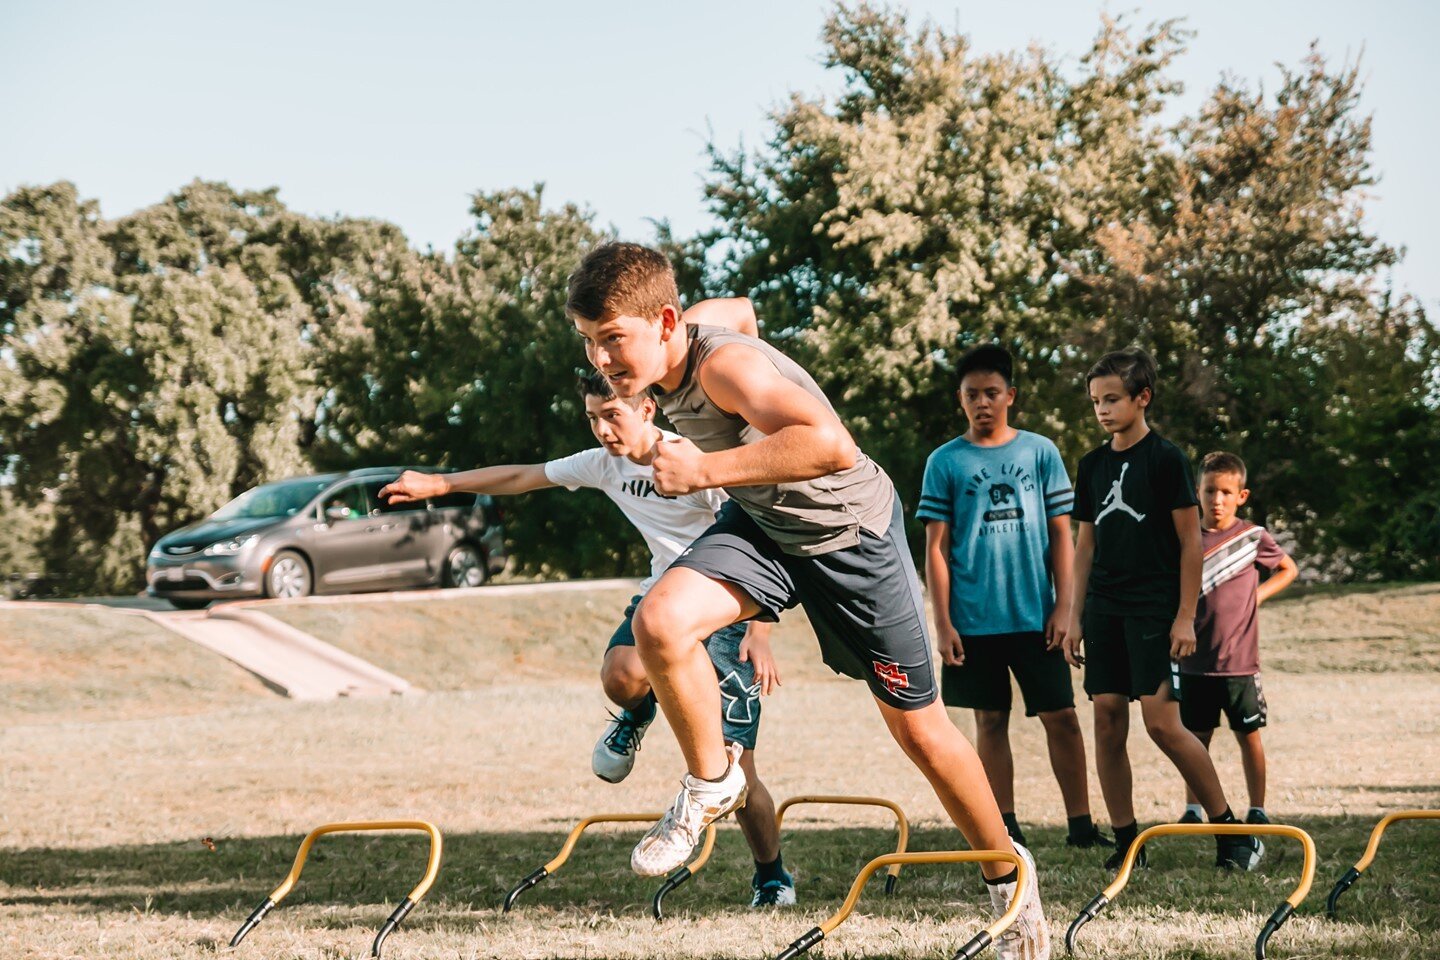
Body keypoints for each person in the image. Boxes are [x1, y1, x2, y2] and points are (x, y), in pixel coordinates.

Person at [567, 242, 1048, 960]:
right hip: (766, 527)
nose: (603, 360)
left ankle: (1012, 892)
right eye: (589, 342)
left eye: (614, 340)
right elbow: (742, 309)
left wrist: (706, 468)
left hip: (849, 537)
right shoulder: (684, 333)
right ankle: (712, 780)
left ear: (665, 321)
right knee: (659, 622)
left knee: (921, 734)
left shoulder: (726, 367)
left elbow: (830, 445)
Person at [378, 363, 796, 908]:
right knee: (621, 675)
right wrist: (442, 483)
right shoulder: (603, 464)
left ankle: (771, 876)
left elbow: (766, 532)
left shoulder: (693, 458)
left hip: (725, 607)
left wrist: (760, 631)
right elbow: (522, 477)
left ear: (647, 409)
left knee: (737, 772)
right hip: (659, 598)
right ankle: (637, 713)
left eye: (612, 415)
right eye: (592, 419)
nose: (602, 429)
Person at [1064, 348, 1264, 873]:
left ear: (1141, 398)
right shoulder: (1091, 465)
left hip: (1154, 608)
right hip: (1104, 607)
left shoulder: (1167, 459)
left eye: (1112, 399)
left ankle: (1230, 831)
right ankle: (1128, 843)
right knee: (1107, 720)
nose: (1102, 410)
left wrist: (1183, 615)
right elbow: (1084, 547)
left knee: (1161, 725)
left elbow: (1189, 544)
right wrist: (1072, 614)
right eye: (1095, 402)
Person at [919, 344, 1108, 850]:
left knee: (1062, 719)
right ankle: (1004, 826)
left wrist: (1066, 610)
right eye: (971, 395)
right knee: (990, 721)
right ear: (959, 399)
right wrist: (943, 623)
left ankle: (1082, 826)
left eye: (992, 393)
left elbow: (1062, 537)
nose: (982, 403)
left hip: (1037, 619)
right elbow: (935, 549)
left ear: (1011, 397)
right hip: (974, 621)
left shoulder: (1039, 452)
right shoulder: (945, 462)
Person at [1176, 451, 1298, 826]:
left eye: (1226, 492)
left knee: (1249, 736)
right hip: (1193, 661)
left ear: (1241, 496)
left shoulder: (1252, 537)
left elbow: (1287, 568)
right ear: (1197, 491)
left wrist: (1256, 597)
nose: (1217, 500)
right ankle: (1193, 810)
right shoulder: (1185, 537)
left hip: (1240, 663)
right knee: (1196, 740)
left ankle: (1257, 809)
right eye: (1210, 490)